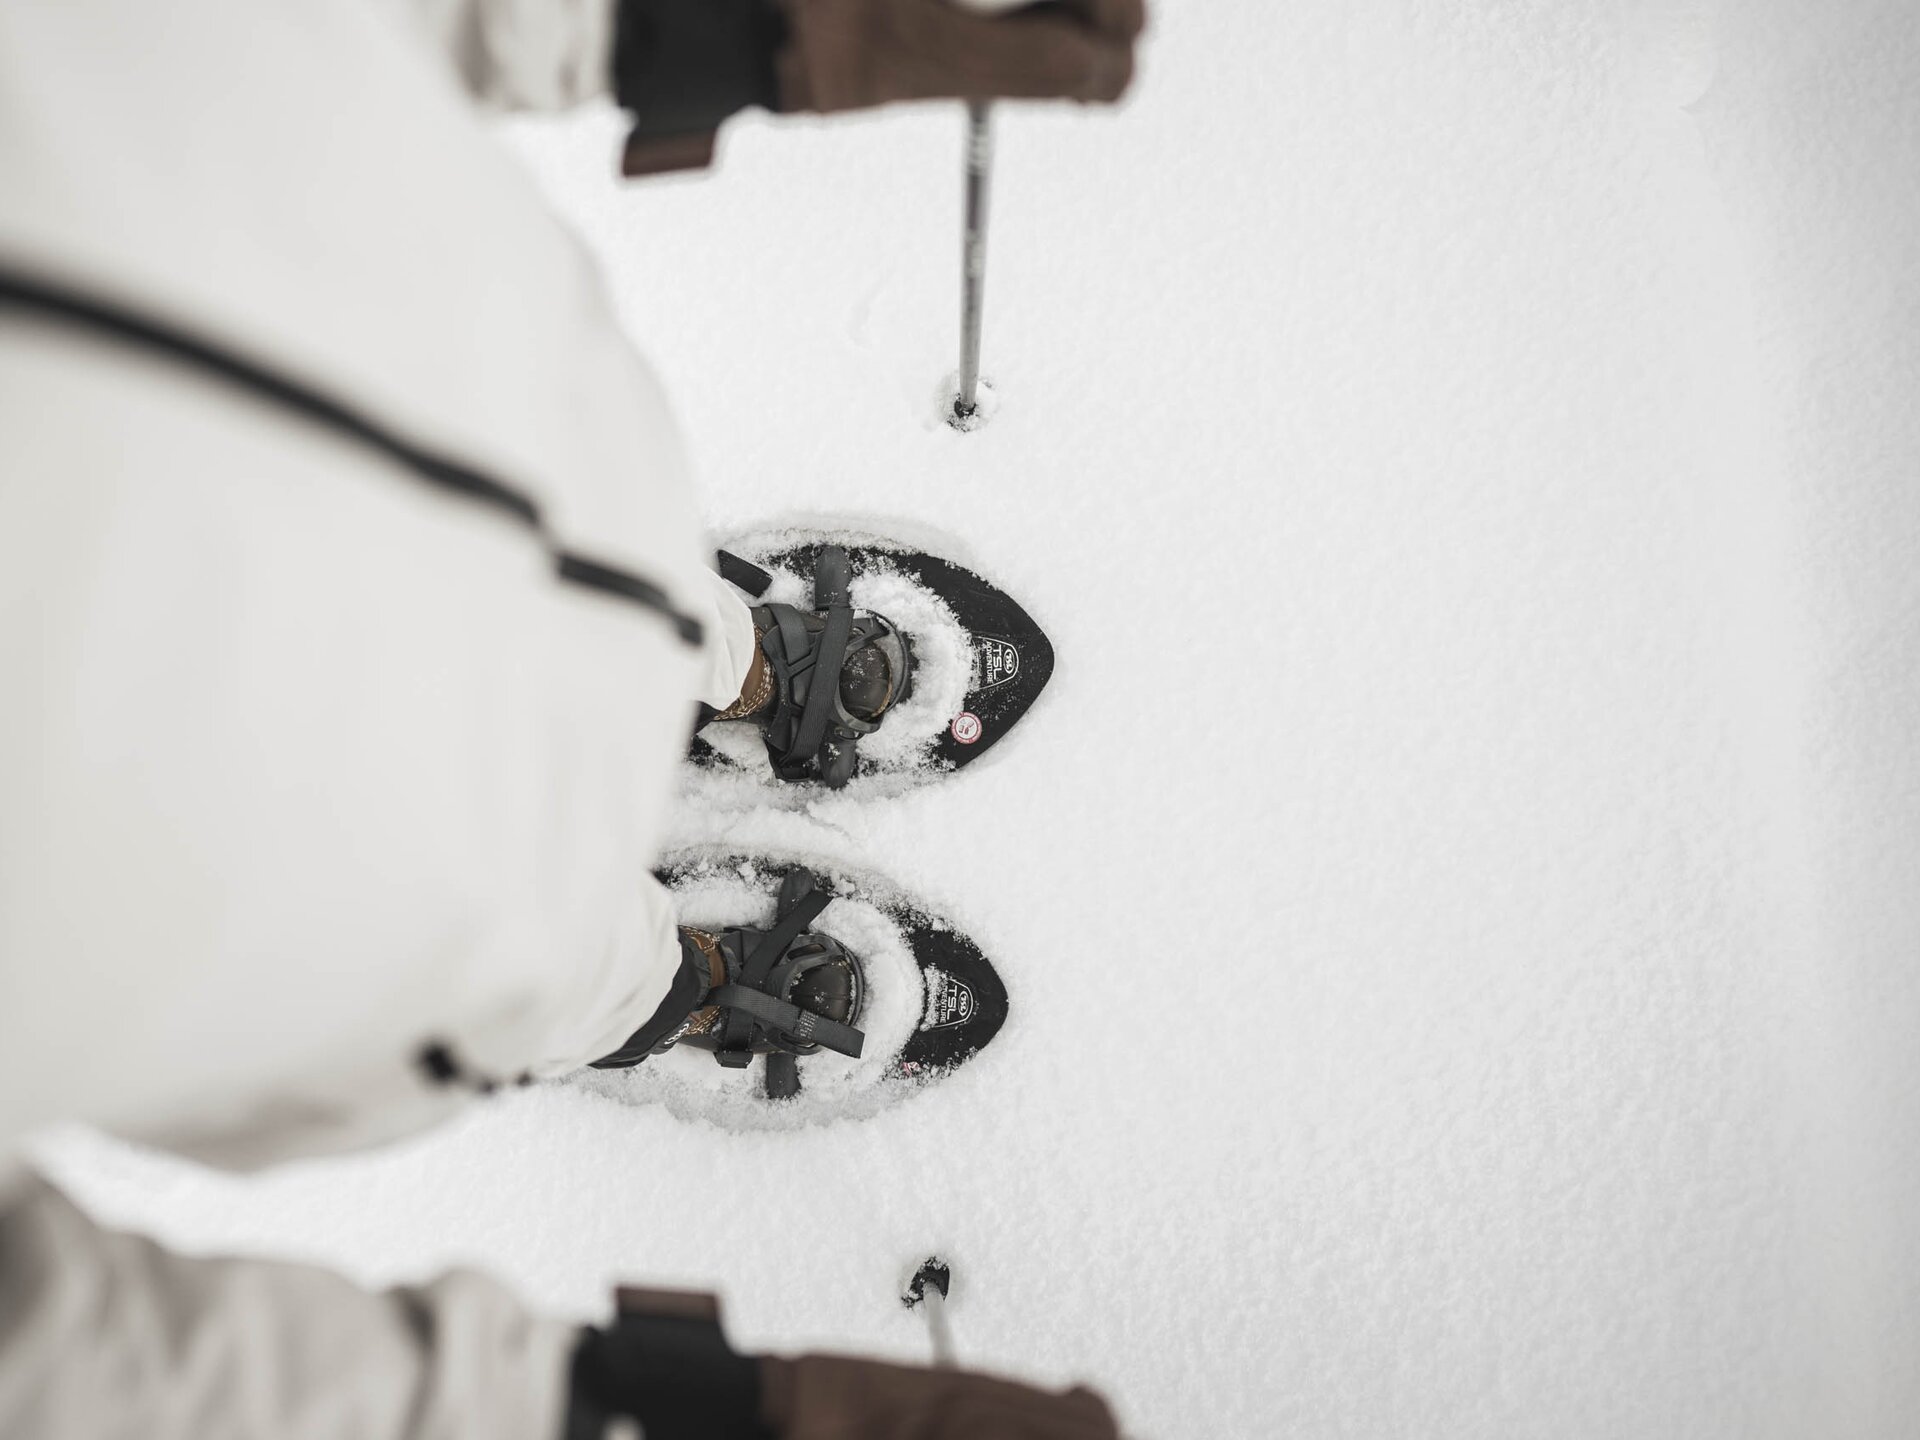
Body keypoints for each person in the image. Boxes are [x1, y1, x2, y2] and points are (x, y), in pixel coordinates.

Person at [0, 0, 1143, 1436]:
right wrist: (580, 1412)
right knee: (515, 956)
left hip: (442, 405)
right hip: (249, 919)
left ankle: (716, 663)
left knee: (596, 560)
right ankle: (670, 983)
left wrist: (721, 24)